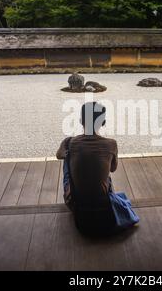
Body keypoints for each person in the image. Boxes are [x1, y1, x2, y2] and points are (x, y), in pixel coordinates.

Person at [56, 101, 139, 235]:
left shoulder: (69, 142)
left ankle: (77, 193)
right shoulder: (111, 144)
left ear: (81, 121)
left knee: (67, 159)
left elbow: (58, 155)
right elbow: (112, 169)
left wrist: (67, 154)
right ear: (103, 122)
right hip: (104, 205)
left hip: (75, 205)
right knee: (103, 170)